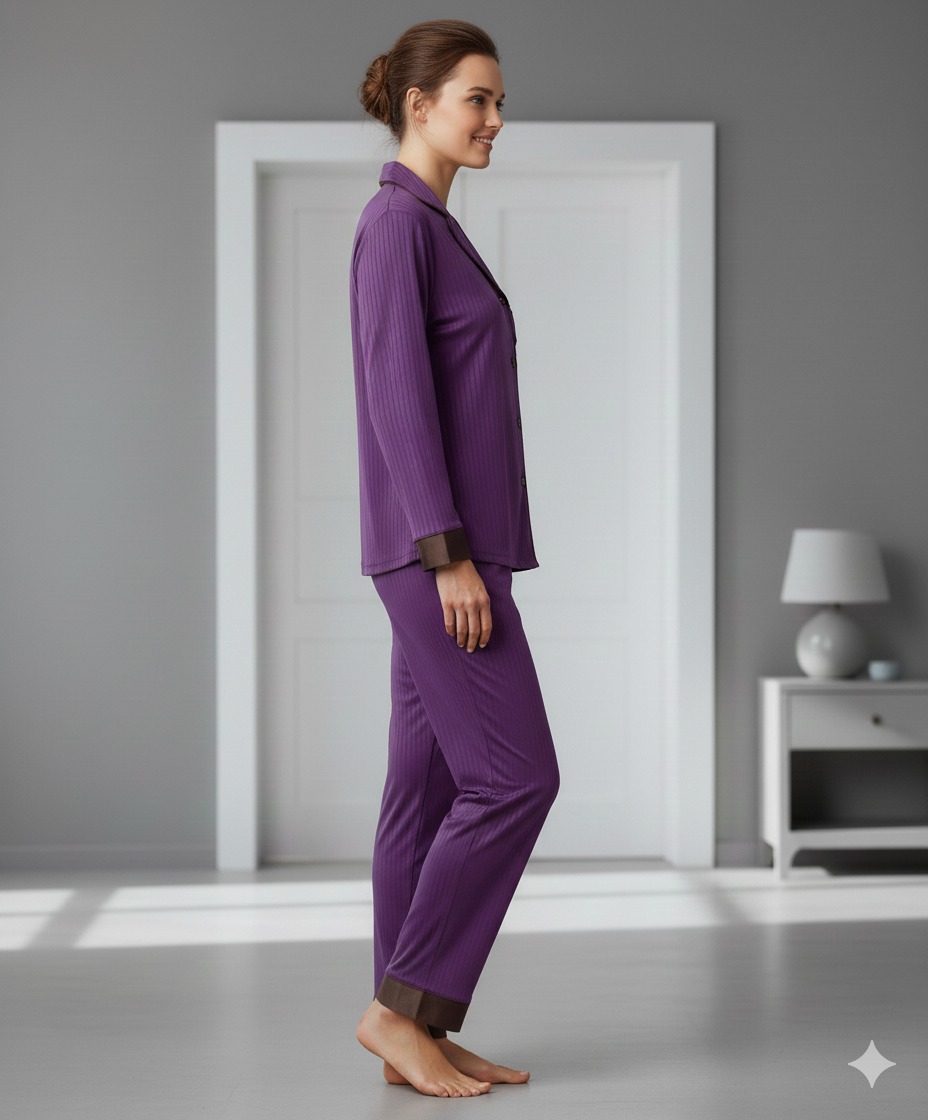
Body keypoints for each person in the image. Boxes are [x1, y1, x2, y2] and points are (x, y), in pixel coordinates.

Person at [350, 19, 560, 1098]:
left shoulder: (431, 226)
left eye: (499, 101)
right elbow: (396, 399)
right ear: (419, 104)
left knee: (422, 792)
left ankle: (418, 1029)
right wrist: (448, 558)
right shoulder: (397, 225)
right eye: (478, 99)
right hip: (440, 557)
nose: (495, 119)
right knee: (517, 775)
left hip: (456, 551)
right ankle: (399, 1010)